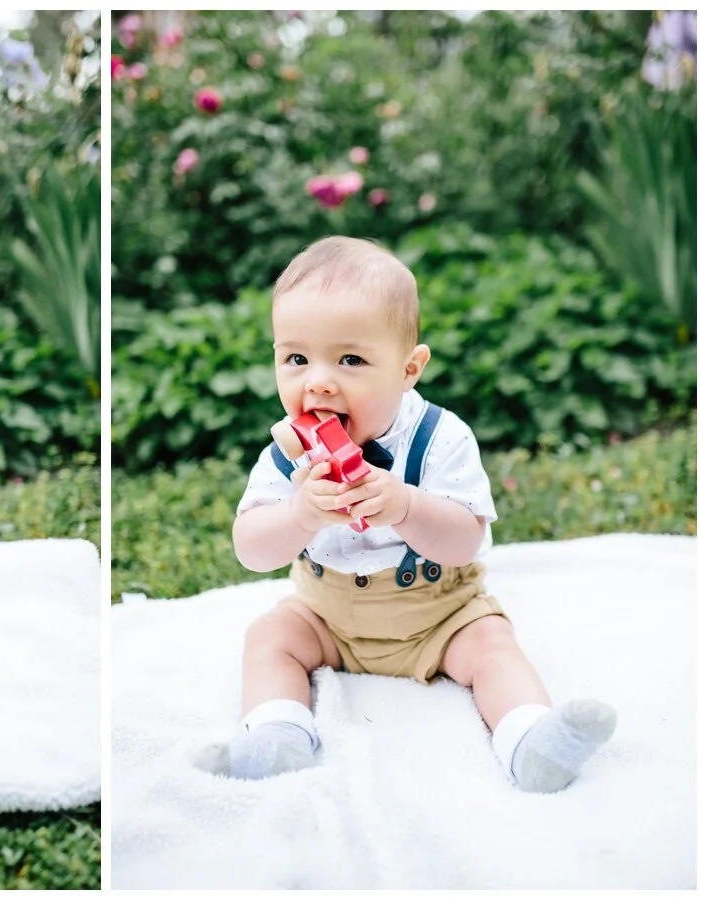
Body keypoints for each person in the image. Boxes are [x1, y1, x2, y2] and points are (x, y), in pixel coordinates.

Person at [203, 236, 615, 792]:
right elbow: (251, 549)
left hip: (439, 617)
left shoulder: (440, 438)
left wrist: (406, 505)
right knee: (271, 635)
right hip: (330, 621)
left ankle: (530, 739)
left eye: (350, 359)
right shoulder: (287, 456)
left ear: (408, 368)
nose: (317, 380)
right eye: (297, 358)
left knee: (492, 644)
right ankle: (279, 734)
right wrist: (301, 514)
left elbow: (464, 540)